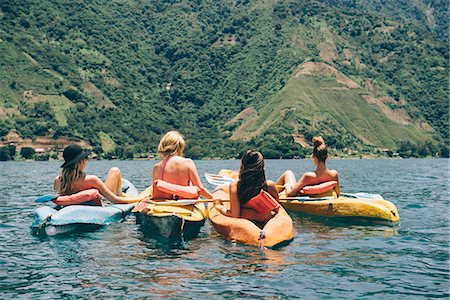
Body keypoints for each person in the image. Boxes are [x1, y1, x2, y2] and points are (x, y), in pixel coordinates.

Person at [54, 144, 146, 204]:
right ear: (81, 162)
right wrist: (140, 199)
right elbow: (115, 200)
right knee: (115, 170)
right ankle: (120, 193)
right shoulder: (91, 180)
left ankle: (121, 193)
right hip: (105, 201)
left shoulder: (58, 180)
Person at [214, 150, 279, 223]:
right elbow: (276, 209)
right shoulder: (270, 185)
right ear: (262, 166)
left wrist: (218, 206)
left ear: (243, 165)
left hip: (245, 220)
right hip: (264, 219)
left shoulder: (235, 186)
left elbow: (235, 215)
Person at [151, 131, 213, 199]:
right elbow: (200, 189)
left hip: (165, 204)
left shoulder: (156, 167)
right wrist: (213, 198)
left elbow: (156, 189)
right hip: (184, 204)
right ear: (180, 146)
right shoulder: (187, 162)